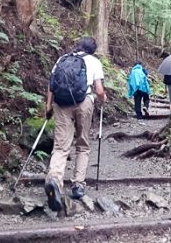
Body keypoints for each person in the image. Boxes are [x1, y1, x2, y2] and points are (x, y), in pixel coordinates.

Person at [44, 37, 107, 212]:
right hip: (83, 102)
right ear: (92, 50)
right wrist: (103, 98)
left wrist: (48, 106)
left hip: (61, 103)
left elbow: (51, 86)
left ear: (78, 46)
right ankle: (78, 185)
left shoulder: (62, 59)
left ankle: (54, 180)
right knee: (82, 144)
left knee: (61, 145)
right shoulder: (94, 61)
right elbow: (99, 90)